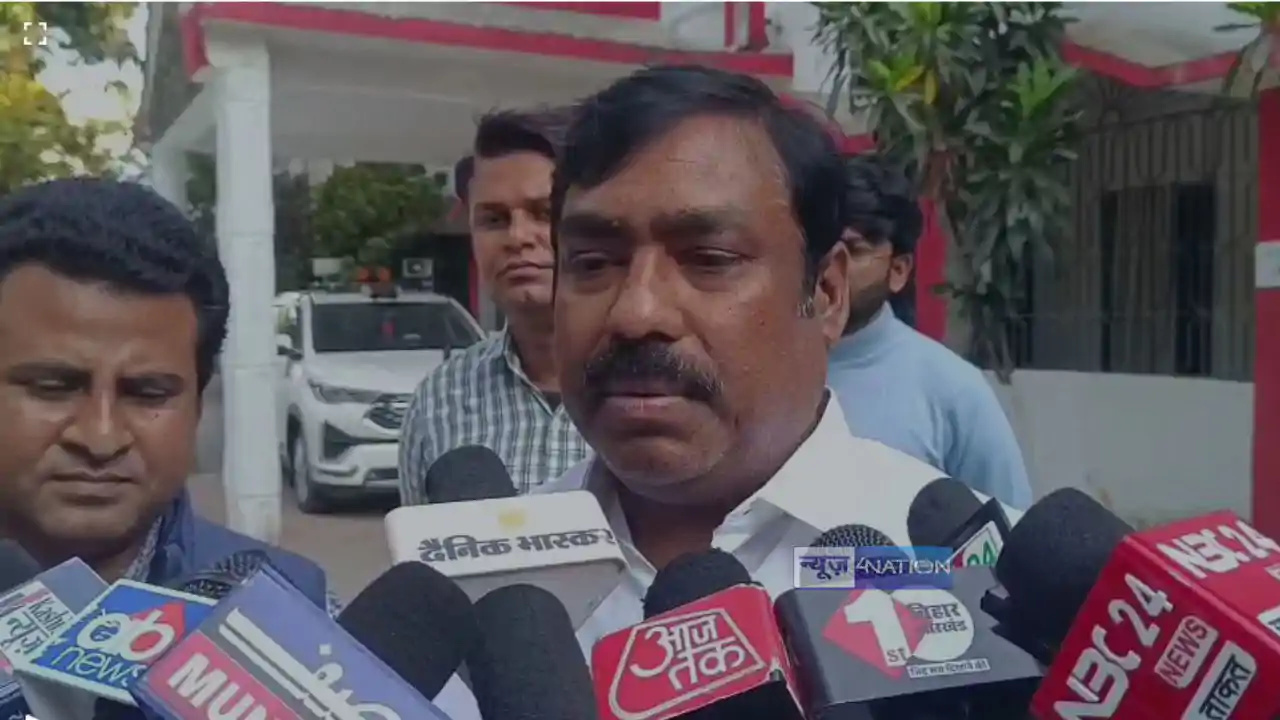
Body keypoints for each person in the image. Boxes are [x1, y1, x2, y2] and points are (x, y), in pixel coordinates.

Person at [532, 64, 1025, 656]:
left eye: (710, 259)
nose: (636, 313)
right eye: (592, 263)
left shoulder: (996, 593)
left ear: (827, 294)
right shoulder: (481, 591)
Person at [0, 177, 334, 609]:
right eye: (52, 388)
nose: (101, 437)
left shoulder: (296, 612)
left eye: (148, 394)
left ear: (198, 406)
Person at [398, 109, 589, 504]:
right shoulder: (439, 400)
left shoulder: (660, 387)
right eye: (494, 219)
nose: (517, 237)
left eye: (543, 213)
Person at [828, 156, 1032, 508]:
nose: (830, 268)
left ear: (898, 270)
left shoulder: (953, 391)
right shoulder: (761, 371)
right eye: (820, 248)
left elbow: (1008, 530)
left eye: (854, 251)